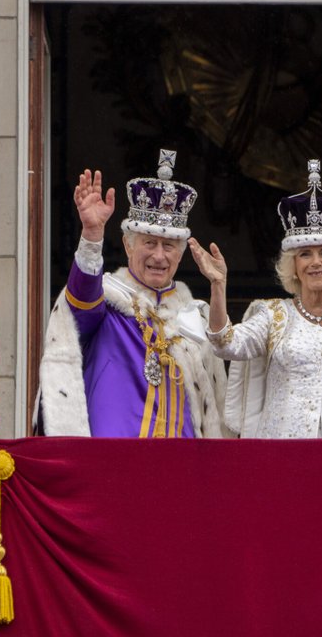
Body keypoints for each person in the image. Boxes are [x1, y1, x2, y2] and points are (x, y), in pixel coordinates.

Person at [191, 159, 322, 438]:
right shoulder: (273, 314)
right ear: (294, 266)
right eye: (305, 254)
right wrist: (218, 285)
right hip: (281, 454)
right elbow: (225, 344)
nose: (316, 262)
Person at [38, 149, 227, 437]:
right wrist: (91, 236)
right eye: (149, 243)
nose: (159, 256)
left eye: (169, 246)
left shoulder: (193, 318)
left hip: (181, 465)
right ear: (128, 246)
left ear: (180, 255)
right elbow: (81, 300)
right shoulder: (108, 303)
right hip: (114, 462)